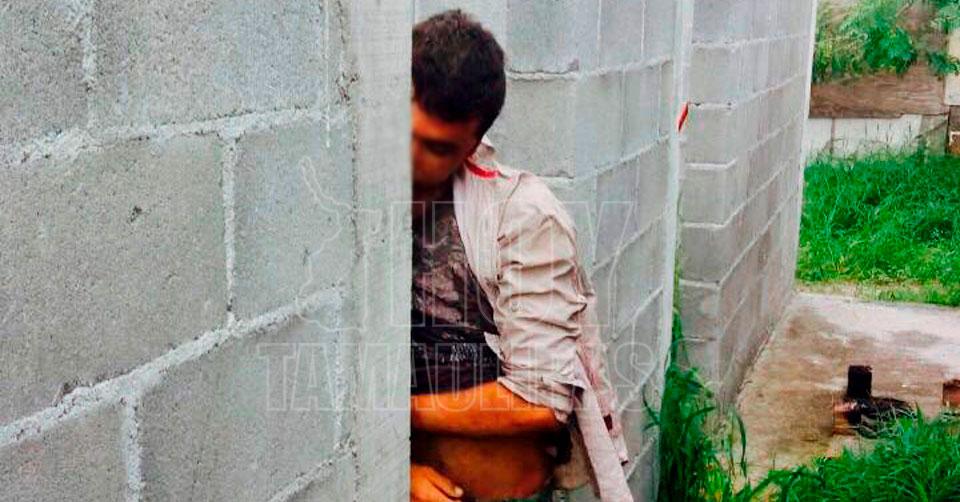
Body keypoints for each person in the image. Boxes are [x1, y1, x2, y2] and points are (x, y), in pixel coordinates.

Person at [410, 10, 633, 502]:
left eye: (436, 148)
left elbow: (539, 399)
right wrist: (396, 471)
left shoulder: (523, 216)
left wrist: (396, 415)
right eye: (405, 136)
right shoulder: (364, 205)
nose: (412, 160)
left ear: (472, 145)